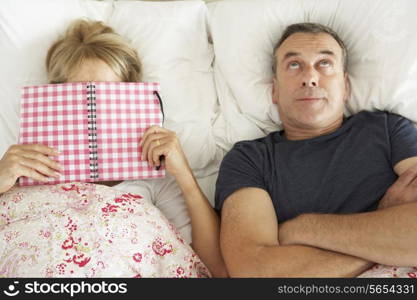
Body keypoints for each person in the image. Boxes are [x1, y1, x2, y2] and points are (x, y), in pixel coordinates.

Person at [0, 19, 227, 277]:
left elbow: (216, 268)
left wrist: (185, 175)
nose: (93, 113)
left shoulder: (152, 178)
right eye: (80, 93)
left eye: (107, 94)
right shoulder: (22, 169)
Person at [215, 22, 417, 277]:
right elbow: (253, 271)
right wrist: (385, 222)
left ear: (345, 86)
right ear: (275, 90)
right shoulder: (249, 160)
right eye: (294, 65)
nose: (310, 77)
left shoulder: (388, 130)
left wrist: (302, 229)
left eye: (324, 63)